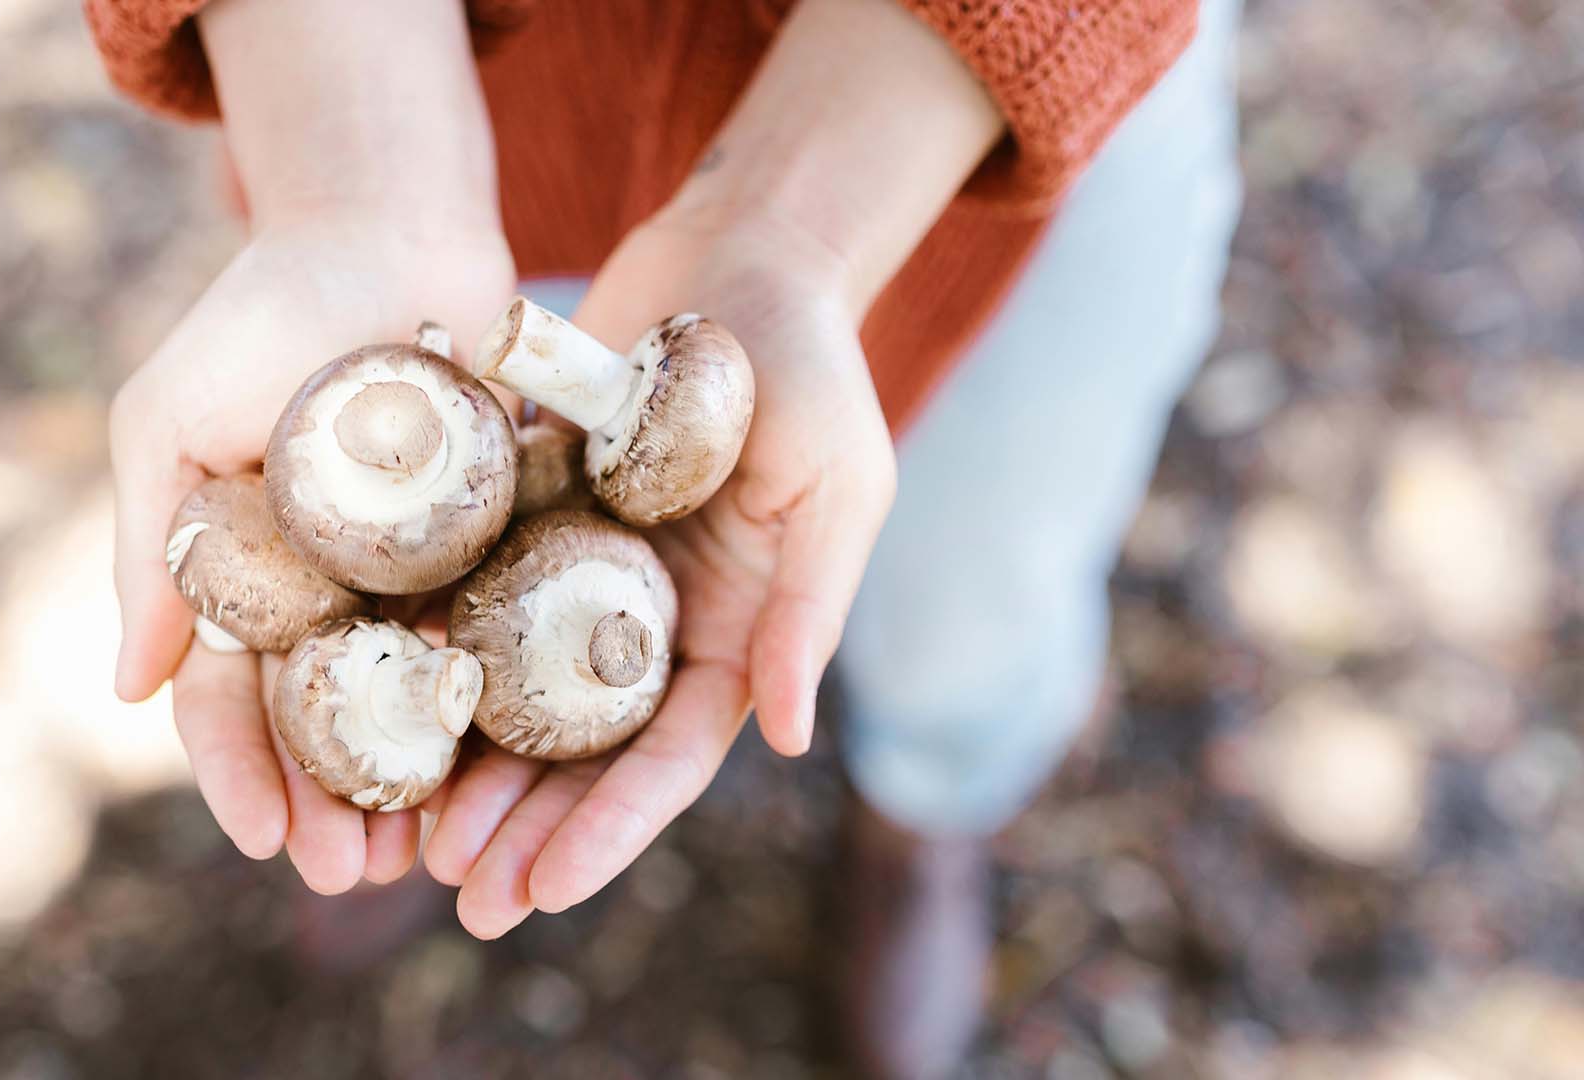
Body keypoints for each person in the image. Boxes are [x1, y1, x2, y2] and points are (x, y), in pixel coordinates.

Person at [90, 0, 1240, 1072]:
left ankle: (927, 815)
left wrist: (791, 227)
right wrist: (351, 192)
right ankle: (390, 763)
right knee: (486, 352)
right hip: (460, 97)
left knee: (980, 571)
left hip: (995, 130)